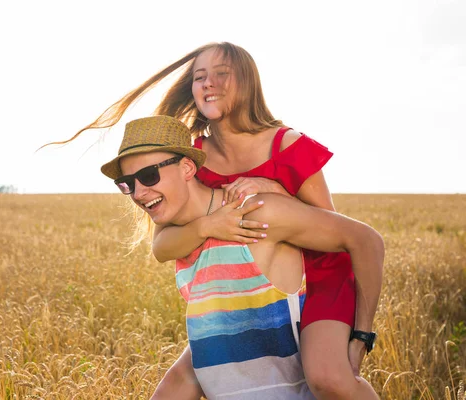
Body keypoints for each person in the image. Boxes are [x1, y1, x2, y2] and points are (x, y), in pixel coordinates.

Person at [53, 42, 378, 399]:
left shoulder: (286, 145)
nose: (208, 83)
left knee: (327, 378)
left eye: (222, 74)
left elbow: (330, 228)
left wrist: (278, 192)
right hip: (246, 284)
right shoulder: (197, 154)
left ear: (248, 83)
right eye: (199, 77)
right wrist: (208, 226)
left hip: (314, 276)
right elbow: (164, 243)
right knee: (180, 382)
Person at [100, 115, 384, 399]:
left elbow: (366, 241)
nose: (138, 193)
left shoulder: (255, 214)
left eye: (149, 176)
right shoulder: (180, 237)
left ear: (187, 167)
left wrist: (361, 336)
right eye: (126, 183)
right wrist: (205, 227)